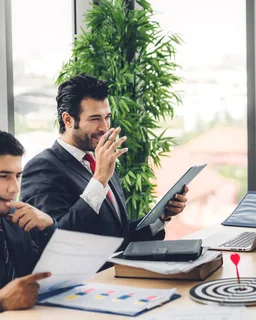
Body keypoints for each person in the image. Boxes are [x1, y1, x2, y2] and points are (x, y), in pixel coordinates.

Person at [20, 74, 188, 251]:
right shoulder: (42, 168)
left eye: (107, 117)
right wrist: (99, 180)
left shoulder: (101, 163)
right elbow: (57, 241)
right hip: (85, 278)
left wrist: (160, 217)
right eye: (94, 119)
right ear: (68, 120)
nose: (104, 127)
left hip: (117, 276)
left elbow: (119, 236)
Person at [0, 131, 55, 311]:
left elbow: (44, 275)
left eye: (17, 176)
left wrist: (49, 226)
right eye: (3, 176)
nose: (15, 188)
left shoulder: (16, 217)